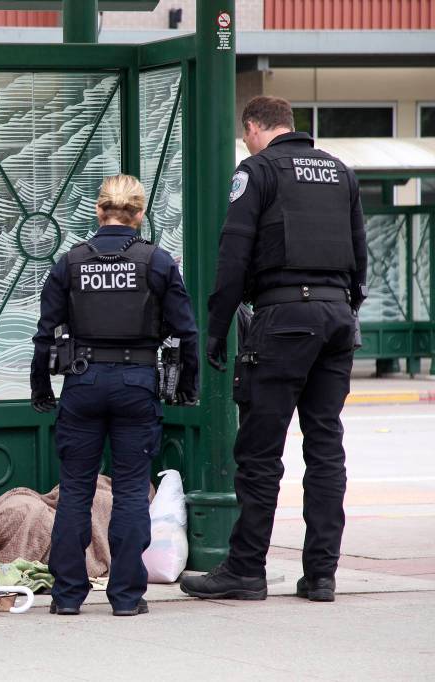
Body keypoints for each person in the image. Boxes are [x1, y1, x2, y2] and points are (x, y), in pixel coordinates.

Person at [180, 96, 367, 603]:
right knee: (325, 446)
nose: (246, 143)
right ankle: (321, 575)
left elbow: (233, 252)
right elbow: (360, 253)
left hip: (284, 318)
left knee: (261, 454)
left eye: (246, 136)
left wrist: (216, 329)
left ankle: (245, 570)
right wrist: (347, 309)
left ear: (255, 127)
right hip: (336, 316)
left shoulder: (257, 171)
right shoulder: (340, 172)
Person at [31, 174, 199, 616]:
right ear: (139, 214)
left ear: (97, 210)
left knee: (74, 491)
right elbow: (186, 332)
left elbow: (45, 334)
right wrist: (186, 387)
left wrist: (41, 388)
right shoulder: (157, 262)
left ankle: (67, 597)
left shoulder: (70, 262)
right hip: (136, 382)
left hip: (82, 383)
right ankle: (126, 597)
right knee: (128, 491)